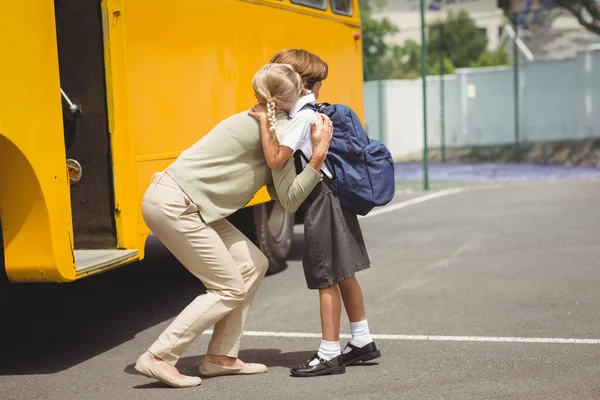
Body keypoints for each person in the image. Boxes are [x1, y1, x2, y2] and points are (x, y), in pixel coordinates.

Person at [134, 63, 334, 388]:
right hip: (178, 205)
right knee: (228, 288)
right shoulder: (279, 129)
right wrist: (317, 157)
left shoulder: (264, 121)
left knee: (254, 263)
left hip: (183, 203)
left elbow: (282, 194)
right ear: (297, 95)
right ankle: (159, 357)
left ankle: (220, 358)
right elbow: (291, 200)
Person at [252, 49, 381, 378]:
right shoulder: (314, 112)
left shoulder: (302, 118)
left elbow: (277, 159)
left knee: (326, 277)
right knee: (344, 273)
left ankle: (329, 353)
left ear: (296, 84)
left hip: (321, 201)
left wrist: (265, 122)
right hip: (335, 196)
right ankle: (362, 341)